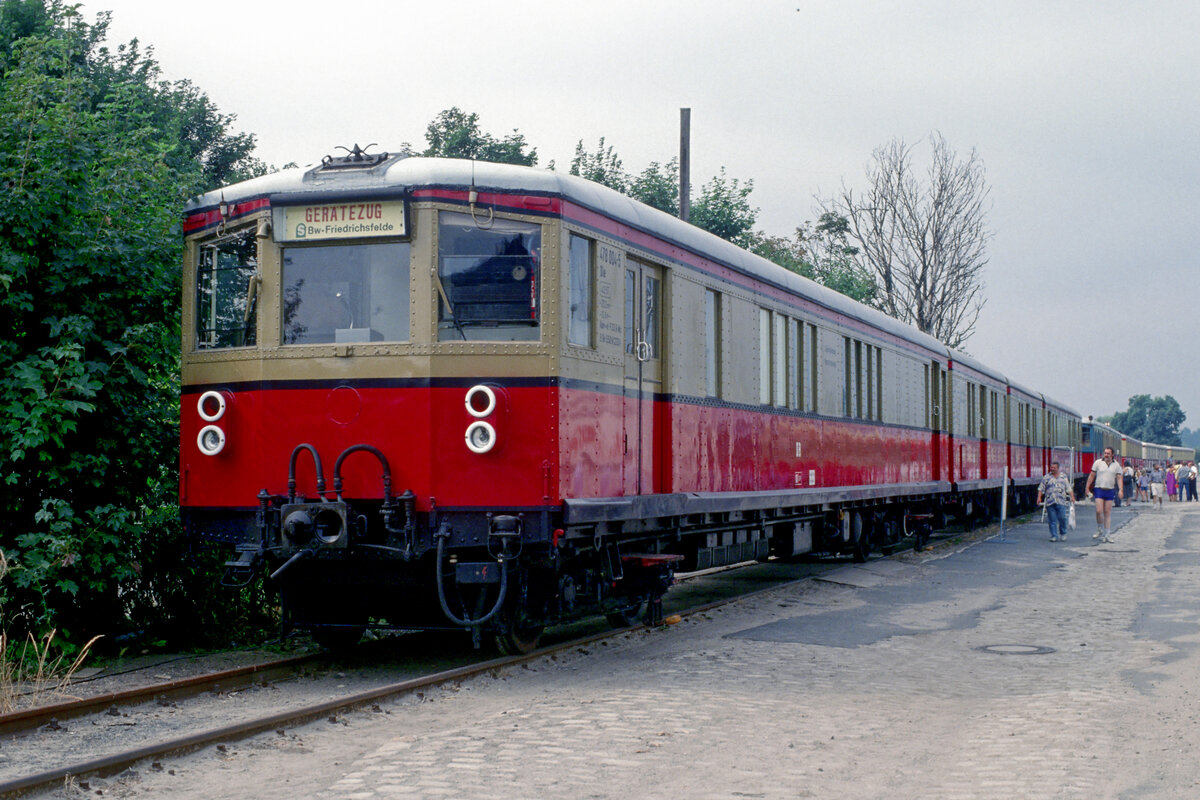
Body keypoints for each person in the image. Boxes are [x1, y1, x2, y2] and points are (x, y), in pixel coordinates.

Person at [1084, 447, 1123, 542]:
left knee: (1107, 512)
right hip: (1099, 489)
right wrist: (1087, 488)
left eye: (1108, 453)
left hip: (1110, 490)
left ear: (1112, 454)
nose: (1106, 455)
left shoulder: (1116, 465)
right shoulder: (1098, 463)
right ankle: (1099, 528)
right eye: (1105, 453)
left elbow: (1119, 478)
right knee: (1098, 511)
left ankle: (1107, 534)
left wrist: (1121, 490)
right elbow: (1092, 475)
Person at [1037, 461, 1076, 542]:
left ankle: (1063, 533)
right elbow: (1041, 488)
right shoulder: (1046, 477)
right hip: (1050, 501)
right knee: (1052, 520)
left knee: (1062, 518)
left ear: (1058, 468)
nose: (1052, 469)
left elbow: (1068, 488)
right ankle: (1054, 535)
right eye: (1051, 468)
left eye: (1054, 468)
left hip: (1061, 501)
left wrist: (1072, 497)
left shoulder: (1063, 477)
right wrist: (1039, 497)